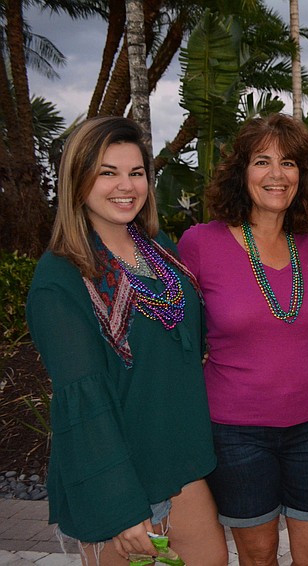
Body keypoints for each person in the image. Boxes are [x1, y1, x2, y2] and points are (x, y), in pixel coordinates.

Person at [26, 116, 227, 565]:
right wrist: (121, 508)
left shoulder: (163, 251)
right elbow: (83, 399)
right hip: (115, 476)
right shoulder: (60, 280)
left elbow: (191, 345)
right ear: (78, 180)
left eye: (136, 173)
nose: (126, 186)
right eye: (107, 172)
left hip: (179, 463)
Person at [177, 114, 308, 566]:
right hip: (237, 432)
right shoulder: (200, 244)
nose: (276, 174)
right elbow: (182, 336)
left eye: (288, 162)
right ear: (241, 172)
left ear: (301, 175)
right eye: (262, 161)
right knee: (259, 553)